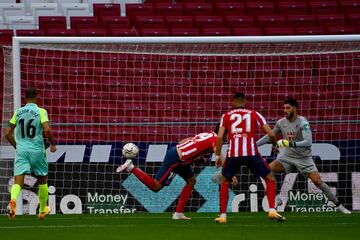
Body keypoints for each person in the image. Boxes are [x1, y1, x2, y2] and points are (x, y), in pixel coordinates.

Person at [256, 98, 351, 214]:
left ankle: (339, 205)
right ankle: (277, 199)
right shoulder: (281, 122)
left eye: (288, 108)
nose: (285, 110)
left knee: (317, 181)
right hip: (288, 157)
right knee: (266, 170)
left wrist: (289, 143)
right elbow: (269, 135)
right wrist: (254, 145)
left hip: (304, 159)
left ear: (295, 109)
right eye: (284, 108)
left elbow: (308, 142)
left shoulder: (303, 122)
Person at [214, 92, 285, 223]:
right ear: (245, 101)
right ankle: (272, 210)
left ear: (233, 102)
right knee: (269, 178)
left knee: (224, 181)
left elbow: (219, 137)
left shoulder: (226, 116)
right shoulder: (254, 114)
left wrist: (218, 155)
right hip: (251, 153)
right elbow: (271, 133)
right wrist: (275, 146)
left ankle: (223, 216)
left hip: (233, 154)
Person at [5, 87, 56, 220]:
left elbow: (7, 133)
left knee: (18, 181)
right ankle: (42, 210)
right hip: (37, 150)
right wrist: (52, 143)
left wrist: (17, 146)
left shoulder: (18, 112)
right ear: (36, 97)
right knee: (42, 180)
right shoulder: (40, 111)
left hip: (22, 150)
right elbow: (47, 130)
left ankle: (13, 202)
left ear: (25, 98)